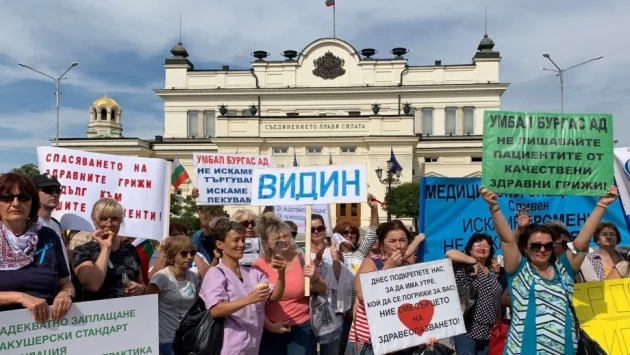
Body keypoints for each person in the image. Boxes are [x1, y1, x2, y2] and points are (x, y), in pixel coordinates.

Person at [480, 185, 618, 354]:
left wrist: (602, 204)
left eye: (548, 245)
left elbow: (581, 243)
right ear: (525, 247)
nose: (542, 249)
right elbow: (507, 240)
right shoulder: (519, 271)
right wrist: (494, 207)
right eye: (536, 245)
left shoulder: (563, 271)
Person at [201, 220, 286, 355]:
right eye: (236, 240)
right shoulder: (216, 274)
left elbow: (275, 296)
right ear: (220, 244)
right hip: (228, 346)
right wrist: (249, 299)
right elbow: (215, 309)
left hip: (252, 346)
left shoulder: (253, 273)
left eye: (243, 240)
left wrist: (281, 273)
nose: (241, 245)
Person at [0, 173, 75, 323]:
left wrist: (66, 294)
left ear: (32, 203)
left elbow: (66, 282)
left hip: (43, 333)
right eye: (7, 197)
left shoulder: (48, 236)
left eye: (23, 197)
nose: (15, 203)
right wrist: (19, 297)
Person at [352, 220, 433, 355]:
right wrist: (388, 267)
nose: (398, 245)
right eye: (392, 241)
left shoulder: (410, 267)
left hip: (403, 344)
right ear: (382, 244)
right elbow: (361, 295)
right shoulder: (371, 262)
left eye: (402, 240)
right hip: (373, 343)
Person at [254, 213, 327, 355]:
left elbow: (323, 289)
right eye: (277, 239)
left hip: (301, 327)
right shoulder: (259, 265)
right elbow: (258, 302)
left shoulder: (303, 259)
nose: (283, 240)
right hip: (270, 329)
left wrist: (314, 278)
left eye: (285, 236)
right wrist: (270, 326)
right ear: (266, 243)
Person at [72, 198, 146, 300]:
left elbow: (141, 283)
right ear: (94, 220)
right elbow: (92, 285)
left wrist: (141, 289)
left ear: (121, 221)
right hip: (99, 313)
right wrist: (105, 248)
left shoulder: (130, 250)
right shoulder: (83, 251)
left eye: (114, 219)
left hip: (129, 312)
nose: (109, 224)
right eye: (103, 219)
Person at [445, 233, 504, 355]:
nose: (482, 248)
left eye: (486, 246)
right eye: (478, 245)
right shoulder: (465, 266)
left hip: (489, 331)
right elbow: (450, 253)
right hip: (468, 329)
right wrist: (473, 261)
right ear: (470, 249)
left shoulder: (492, 271)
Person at [146, 236, 200, 355]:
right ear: (171, 257)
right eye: (184, 253)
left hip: (187, 337)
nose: (189, 257)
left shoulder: (193, 277)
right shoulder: (161, 277)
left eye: (192, 252)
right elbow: (147, 308)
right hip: (166, 340)